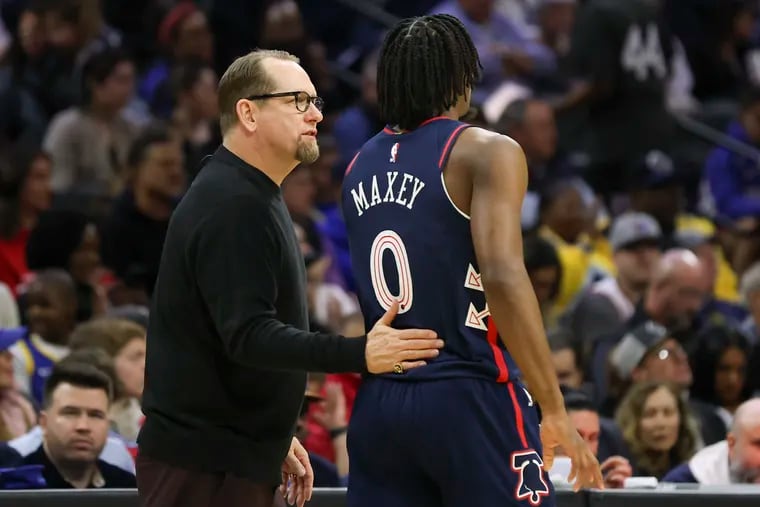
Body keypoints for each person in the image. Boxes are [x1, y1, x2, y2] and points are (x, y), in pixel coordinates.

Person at [136, 48, 444, 507]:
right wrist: (361, 352)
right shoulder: (233, 203)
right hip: (204, 466)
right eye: (298, 100)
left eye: (317, 101)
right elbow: (250, 335)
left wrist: (270, 434)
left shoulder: (250, 192)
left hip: (228, 455)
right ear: (248, 113)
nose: (316, 114)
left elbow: (229, 342)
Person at [340, 14, 603, 507]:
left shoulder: (358, 165)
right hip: (468, 389)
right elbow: (502, 275)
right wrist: (553, 406)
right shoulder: (484, 149)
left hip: (381, 402)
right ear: (461, 76)